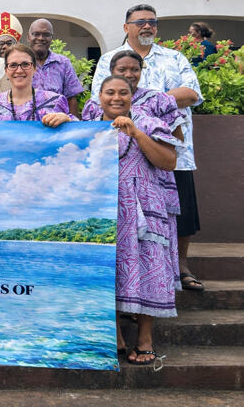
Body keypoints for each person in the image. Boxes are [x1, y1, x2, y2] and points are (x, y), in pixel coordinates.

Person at [92, 4, 204, 292]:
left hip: (169, 150)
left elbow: (191, 93)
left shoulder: (173, 58)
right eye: (140, 21)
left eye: (152, 22)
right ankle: (130, 284)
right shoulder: (107, 59)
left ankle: (179, 267)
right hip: (124, 155)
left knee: (180, 213)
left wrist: (149, 102)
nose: (147, 26)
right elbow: (98, 101)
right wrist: (131, 101)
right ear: (126, 26)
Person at [98, 75, 182, 365]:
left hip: (144, 207)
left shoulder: (147, 122)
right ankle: (116, 335)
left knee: (147, 268)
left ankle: (145, 339)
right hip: (106, 206)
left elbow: (168, 161)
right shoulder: (92, 125)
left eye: (123, 93)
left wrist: (136, 133)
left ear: (133, 96)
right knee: (109, 269)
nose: (116, 98)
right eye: (110, 92)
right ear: (100, 96)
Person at [0, 44, 73, 127]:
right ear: (6, 70)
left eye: (25, 64)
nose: (19, 70)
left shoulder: (54, 102)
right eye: (13, 65)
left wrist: (67, 120)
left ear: (34, 68)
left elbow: (77, 131)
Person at [27, 18, 84, 117]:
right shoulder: (21, 63)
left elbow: (71, 99)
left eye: (46, 35)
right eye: (36, 34)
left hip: (57, 125)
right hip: (27, 125)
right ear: (28, 37)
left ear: (52, 38)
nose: (41, 38)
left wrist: (72, 126)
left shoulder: (63, 63)